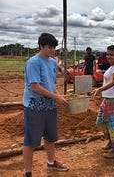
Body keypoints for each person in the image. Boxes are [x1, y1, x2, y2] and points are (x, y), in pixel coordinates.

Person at [23, 33, 69, 177]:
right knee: (30, 140)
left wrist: (57, 95)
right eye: (49, 47)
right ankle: (28, 172)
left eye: (54, 47)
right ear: (41, 46)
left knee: (50, 137)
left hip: (49, 106)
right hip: (34, 106)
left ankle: (51, 162)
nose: (52, 50)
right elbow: (35, 87)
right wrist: (55, 96)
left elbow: (51, 83)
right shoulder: (33, 63)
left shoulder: (52, 62)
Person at [91, 41, 114, 159]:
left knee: (112, 125)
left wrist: (99, 89)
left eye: (111, 55)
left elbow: (112, 83)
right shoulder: (112, 67)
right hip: (107, 99)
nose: (108, 57)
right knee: (100, 122)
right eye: (107, 54)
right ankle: (111, 142)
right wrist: (100, 90)